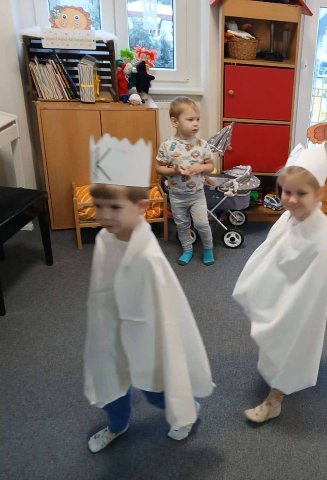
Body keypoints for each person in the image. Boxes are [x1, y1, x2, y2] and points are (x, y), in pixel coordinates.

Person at [84, 135, 214, 453]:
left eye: (115, 207)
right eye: (99, 206)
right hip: (112, 329)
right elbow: (100, 289)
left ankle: (185, 410)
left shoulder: (148, 254)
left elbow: (165, 307)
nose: (105, 215)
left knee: (156, 388)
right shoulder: (104, 240)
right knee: (111, 384)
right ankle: (117, 425)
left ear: (142, 207)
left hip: (146, 332)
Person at [232, 144, 327, 423]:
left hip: (297, 304)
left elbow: (305, 275)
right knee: (278, 345)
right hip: (281, 294)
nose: (292, 200)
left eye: (301, 194)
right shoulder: (292, 216)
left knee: (289, 345)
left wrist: (280, 305)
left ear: (319, 194)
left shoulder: (316, 231)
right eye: (286, 192)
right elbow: (274, 248)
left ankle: (274, 401)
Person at [156, 96, 216, 266]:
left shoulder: (202, 145)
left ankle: (208, 249)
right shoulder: (167, 146)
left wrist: (200, 167)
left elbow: (211, 166)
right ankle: (187, 249)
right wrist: (174, 170)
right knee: (182, 225)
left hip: (197, 194)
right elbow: (159, 168)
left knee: (202, 224)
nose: (196, 124)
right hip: (176, 195)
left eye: (197, 119)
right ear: (175, 122)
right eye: (190, 120)